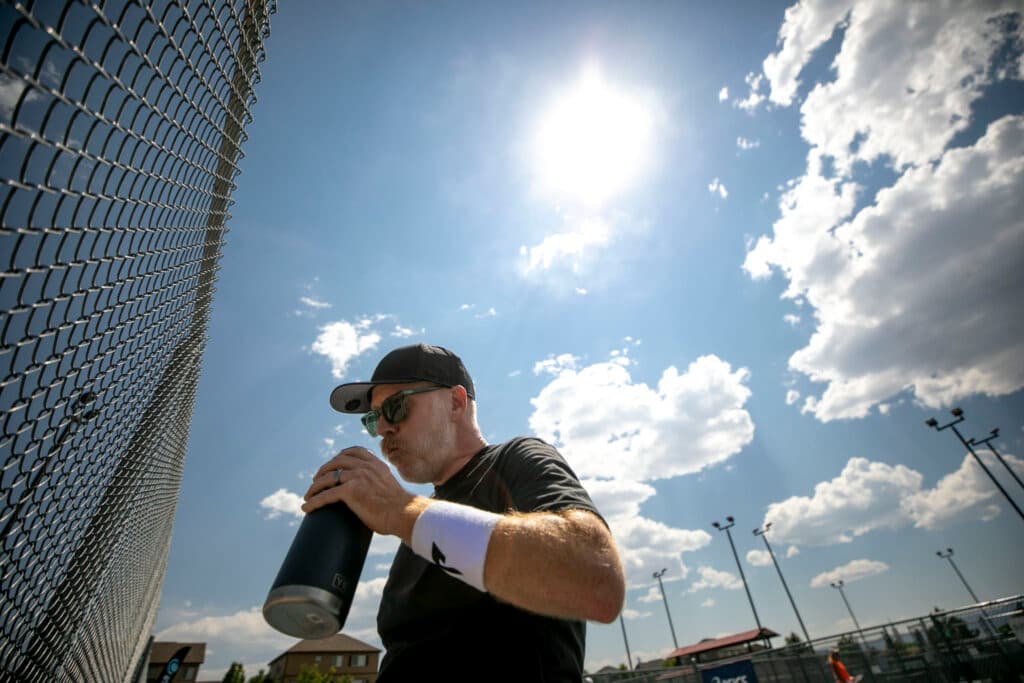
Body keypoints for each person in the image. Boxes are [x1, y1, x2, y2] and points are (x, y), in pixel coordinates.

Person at [303, 343, 625, 682]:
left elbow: (597, 581)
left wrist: (401, 510)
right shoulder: (420, 525)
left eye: (395, 408)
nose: (382, 429)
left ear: (456, 402)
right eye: (373, 418)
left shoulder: (515, 459)